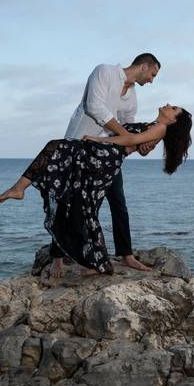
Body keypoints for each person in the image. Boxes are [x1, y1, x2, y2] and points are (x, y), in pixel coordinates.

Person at [0, 105, 192, 276]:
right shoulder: (153, 126)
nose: (168, 105)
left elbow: (129, 142)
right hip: (104, 156)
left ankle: (19, 189)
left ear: (174, 120)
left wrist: (100, 140)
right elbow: (135, 143)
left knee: (56, 149)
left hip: (104, 157)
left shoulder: (161, 128)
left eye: (173, 108)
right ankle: (93, 260)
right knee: (82, 202)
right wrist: (139, 145)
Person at [61, 53, 161, 275]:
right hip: (80, 146)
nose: (152, 80)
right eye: (153, 74)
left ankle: (126, 255)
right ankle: (58, 257)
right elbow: (94, 106)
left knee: (118, 203)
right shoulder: (104, 72)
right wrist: (128, 136)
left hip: (108, 155)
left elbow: (129, 126)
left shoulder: (132, 96)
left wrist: (139, 145)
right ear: (144, 66)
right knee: (73, 202)